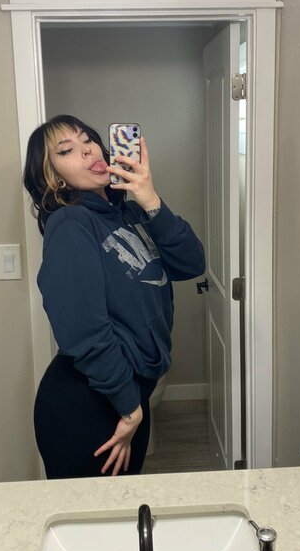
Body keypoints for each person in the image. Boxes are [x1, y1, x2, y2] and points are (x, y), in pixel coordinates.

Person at [23, 114, 206, 479]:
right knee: (94, 513)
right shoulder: (70, 224)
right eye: (66, 150)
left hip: (129, 394)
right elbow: (82, 328)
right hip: (89, 402)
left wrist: (150, 199)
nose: (87, 150)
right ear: (53, 177)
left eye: (87, 139)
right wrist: (128, 406)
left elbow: (192, 263)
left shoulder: (130, 212)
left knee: (121, 505)